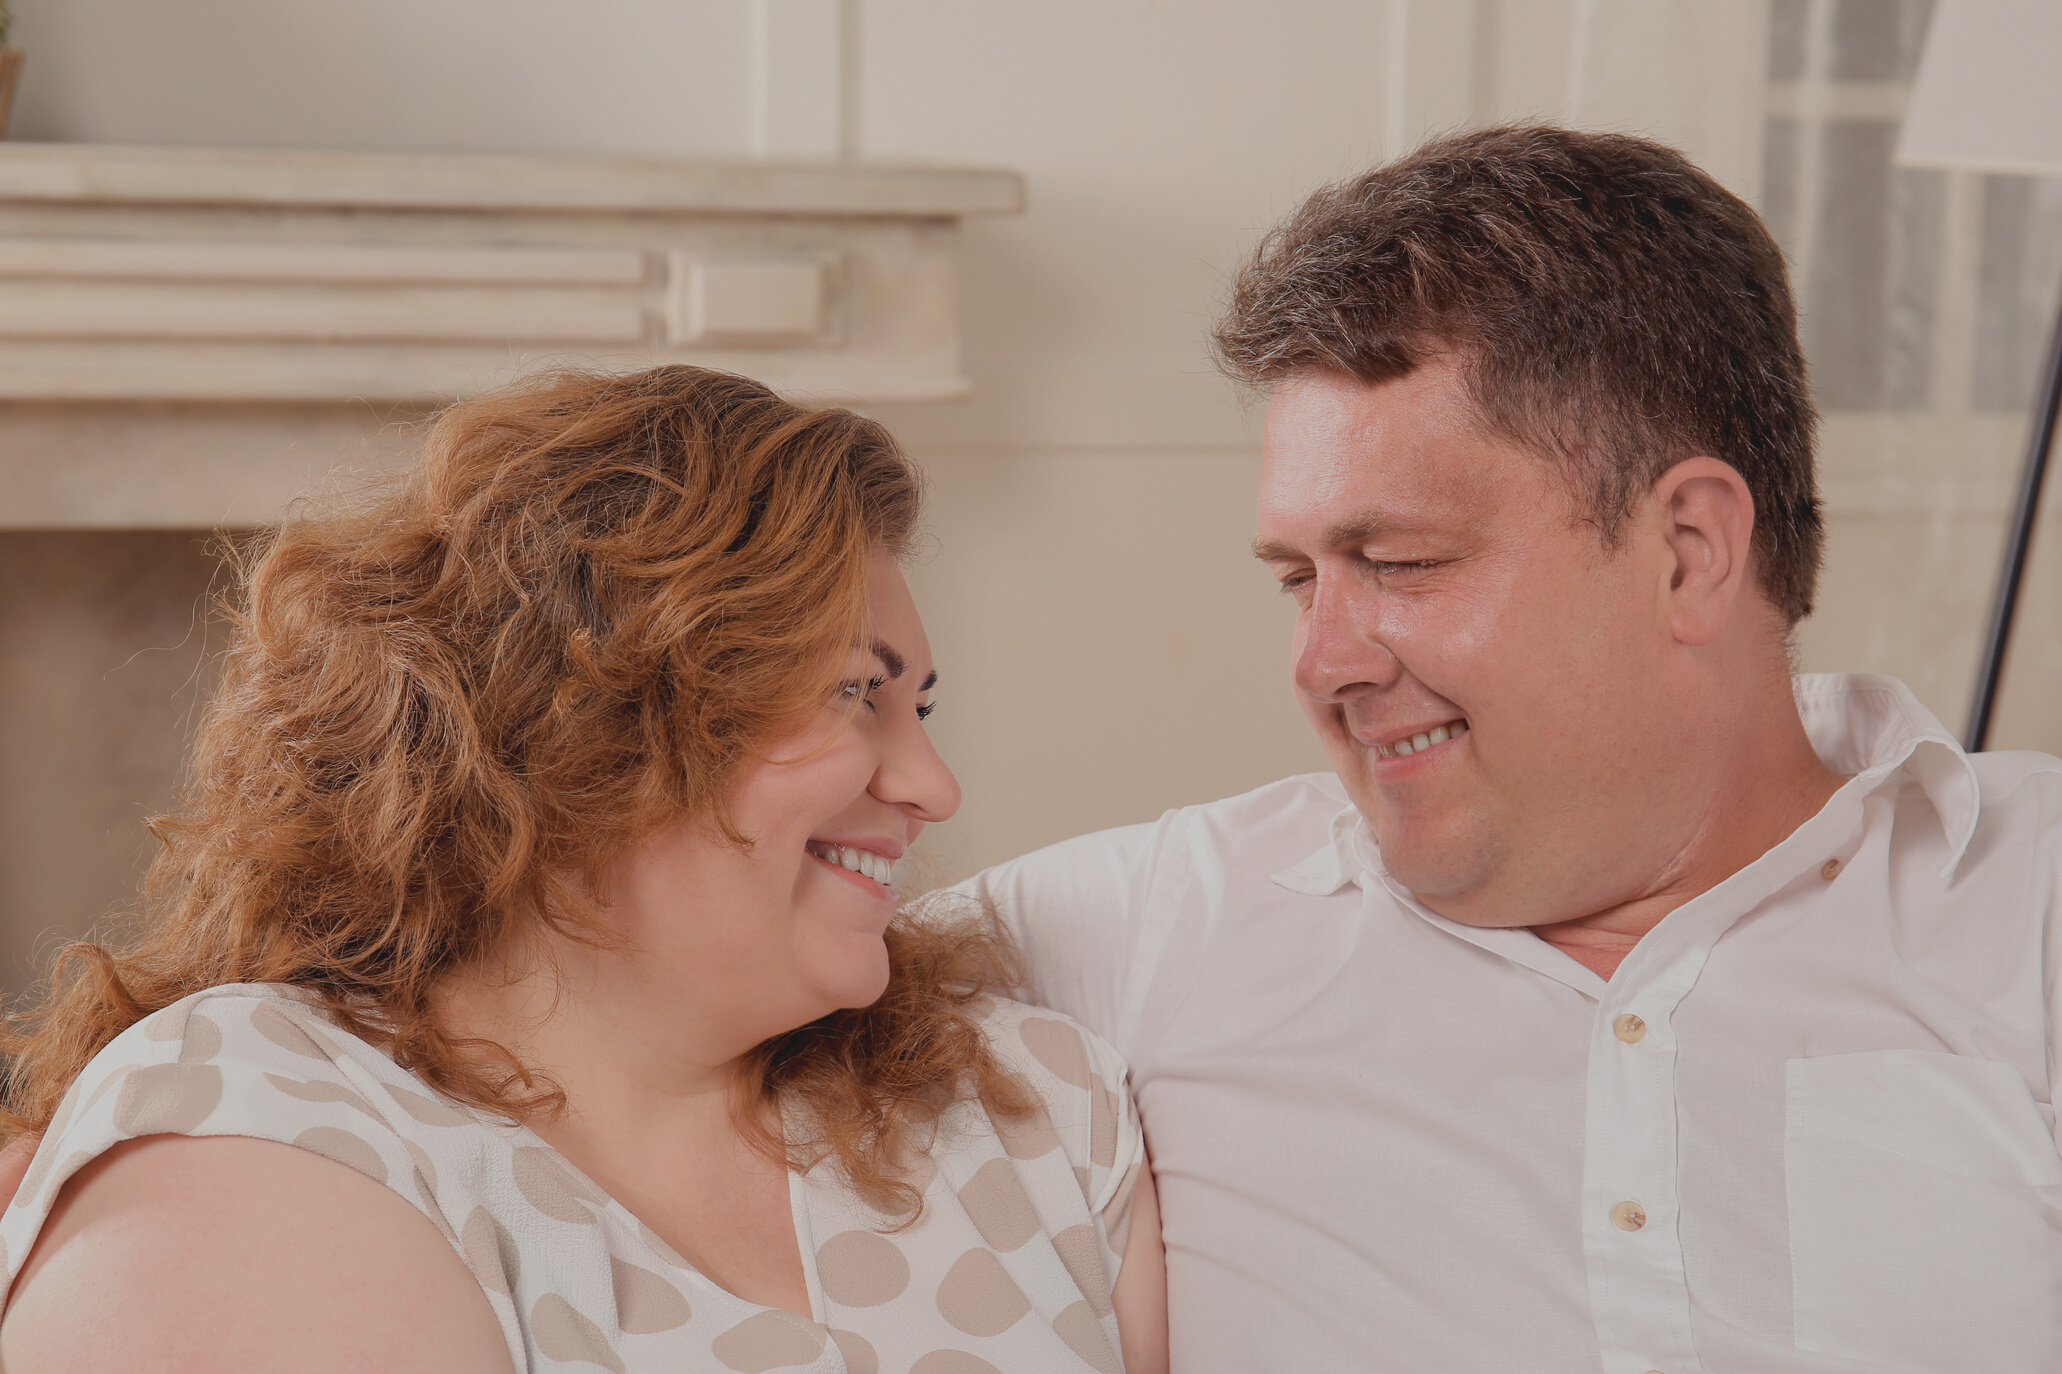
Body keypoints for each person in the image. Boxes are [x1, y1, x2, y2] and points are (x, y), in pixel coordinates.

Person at [961, 125, 2062, 1373]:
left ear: (1687, 553)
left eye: (1400, 565)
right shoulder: (1149, 932)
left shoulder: (2028, 905)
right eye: (1296, 579)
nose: (1323, 662)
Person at [0, 366, 1167, 1374]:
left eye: (920, 707)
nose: (933, 787)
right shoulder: (260, 1112)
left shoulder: (1029, 1105)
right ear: (595, 723)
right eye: (858, 693)